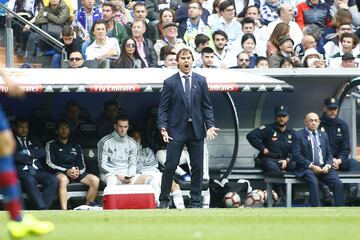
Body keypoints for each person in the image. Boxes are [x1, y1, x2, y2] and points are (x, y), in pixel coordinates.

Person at [157, 48, 219, 208]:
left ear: (193, 60)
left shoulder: (201, 80)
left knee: (197, 166)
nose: (186, 61)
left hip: (196, 129)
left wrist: (210, 125)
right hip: (176, 129)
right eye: (183, 58)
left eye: (188, 58)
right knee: (170, 165)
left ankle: (195, 201)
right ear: (178, 61)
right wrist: (163, 127)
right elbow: (163, 108)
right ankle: (163, 200)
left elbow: (207, 106)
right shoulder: (170, 82)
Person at [0, 68, 54, 238]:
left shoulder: (33, 138)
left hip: (35, 170)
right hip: (23, 172)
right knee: (7, 143)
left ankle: (17, 220)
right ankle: (17, 219)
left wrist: (6, 76)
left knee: (5, 143)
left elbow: (39, 152)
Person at [97, 115, 161, 202]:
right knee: (111, 182)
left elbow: (133, 164)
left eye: (125, 127)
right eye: (120, 126)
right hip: (110, 174)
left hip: (127, 174)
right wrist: (117, 174)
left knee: (152, 181)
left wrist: (130, 175)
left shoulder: (132, 143)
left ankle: (156, 205)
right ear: (115, 126)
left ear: (128, 127)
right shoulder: (105, 141)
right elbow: (102, 165)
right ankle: (111, 208)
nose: (123, 129)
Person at [292, 112, 344, 207]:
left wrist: (328, 165)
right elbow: (296, 155)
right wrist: (312, 166)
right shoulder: (298, 135)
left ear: (319, 122)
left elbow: (329, 153)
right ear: (305, 122)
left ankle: (339, 208)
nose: (314, 123)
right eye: (311, 121)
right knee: (313, 181)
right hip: (306, 168)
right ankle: (316, 209)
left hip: (323, 168)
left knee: (338, 183)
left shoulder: (323, 135)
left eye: (316, 121)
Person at [45, 120, 100, 210]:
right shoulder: (51, 144)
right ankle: (64, 210)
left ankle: (88, 208)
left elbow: (82, 164)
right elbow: (49, 163)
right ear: (56, 131)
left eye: (66, 128)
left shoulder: (76, 145)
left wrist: (78, 172)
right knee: (62, 180)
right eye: (61, 128)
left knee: (95, 180)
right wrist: (66, 171)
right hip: (61, 172)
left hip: (75, 172)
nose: (64, 130)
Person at [131, 130, 185, 209]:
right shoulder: (128, 150)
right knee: (155, 182)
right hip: (141, 174)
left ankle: (182, 210)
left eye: (138, 137)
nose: (137, 139)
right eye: (134, 137)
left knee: (174, 185)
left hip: (155, 172)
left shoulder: (147, 150)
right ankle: (159, 207)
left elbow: (153, 164)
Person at [14, 118, 58, 210]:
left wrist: (28, 153)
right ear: (15, 128)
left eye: (26, 127)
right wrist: (32, 156)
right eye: (21, 127)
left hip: (37, 170)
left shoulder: (33, 138)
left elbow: (42, 152)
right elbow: (14, 156)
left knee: (53, 180)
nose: (24, 129)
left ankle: (44, 208)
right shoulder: (11, 140)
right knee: (30, 180)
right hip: (22, 171)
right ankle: (42, 208)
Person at [247, 105, 296, 173]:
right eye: (279, 116)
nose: (281, 118)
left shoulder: (292, 133)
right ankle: (280, 181)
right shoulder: (268, 129)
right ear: (275, 117)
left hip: (284, 160)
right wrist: (262, 148)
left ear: (288, 117)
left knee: (295, 165)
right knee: (272, 167)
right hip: (269, 159)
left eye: (284, 116)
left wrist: (287, 160)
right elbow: (251, 136)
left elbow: (296, 150)